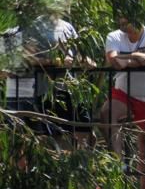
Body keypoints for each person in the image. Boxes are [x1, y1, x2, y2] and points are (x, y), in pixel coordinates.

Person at [98, 15, 145, 189]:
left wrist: (126, 61)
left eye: (127, 22)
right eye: (121, 23)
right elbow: (113, 61)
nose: (124, 27)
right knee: (107, 113)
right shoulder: (114, 36)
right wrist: (135, 56)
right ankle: (117, 162)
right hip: (124, 92)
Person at [1, 15, 92, 147]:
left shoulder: (63, 26)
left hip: (54, 89)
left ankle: (68, 163)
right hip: (20, 92)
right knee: (21, 136)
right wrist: (55, 61)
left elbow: (76, 54)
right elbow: (15, 63)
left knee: (67, 131)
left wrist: (84, 61)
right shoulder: (11, 32)